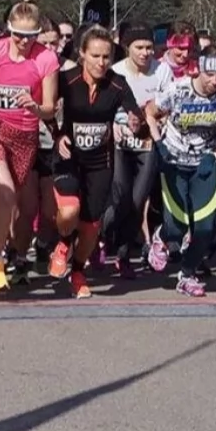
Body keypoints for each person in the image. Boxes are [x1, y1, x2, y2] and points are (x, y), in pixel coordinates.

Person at [0, 0, 59, 295]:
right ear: (8, 30)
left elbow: (49, 108)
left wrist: (34, 106)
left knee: (6, 202)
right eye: (17, 34)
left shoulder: (46, 59)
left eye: (29, 36)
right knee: (4, 189)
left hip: (24, 136)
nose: (22, 41)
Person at [50, 26, 144, 298]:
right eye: (95, 56)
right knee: (69, 213)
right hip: (69, 158)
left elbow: (133, 110)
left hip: (100, 163)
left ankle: (78, 272)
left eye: (106, 57)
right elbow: (45, 108)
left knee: (91, 226)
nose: (101, 63)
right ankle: (64, 242)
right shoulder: (66, 80)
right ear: (82, 54)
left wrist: (136, 121)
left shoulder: (117, 83)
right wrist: (58, 136)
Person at [146, 45, 216, 297]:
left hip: (205, 163)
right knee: (176, 226)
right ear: (199, 69)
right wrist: (158, 143)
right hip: (174, 161)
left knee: (205, 228)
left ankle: (187, 274)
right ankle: (162, 236)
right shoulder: (178, 89)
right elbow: (150, 113)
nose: (215, 81)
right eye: (210, 75)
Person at [103, 24, 162, 278]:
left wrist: (155, 114)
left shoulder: (162, 71)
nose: (145, 53)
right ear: (128, 48)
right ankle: (101, 237)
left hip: (147, 142)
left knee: (137, 202)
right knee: (119, 200)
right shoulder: (115, 72)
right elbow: (102, 105)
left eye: (149, 47)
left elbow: (168, 103)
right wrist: (110, 126)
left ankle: (124, 255)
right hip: (119, 143)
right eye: (139, 47)